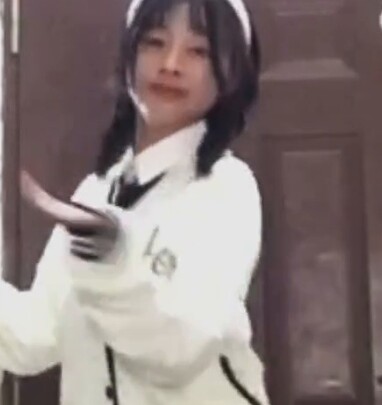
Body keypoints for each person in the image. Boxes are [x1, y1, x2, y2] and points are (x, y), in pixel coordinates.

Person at [1, 0, 267, 404]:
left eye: (199, 51)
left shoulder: (227, 189)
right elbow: (35, 337)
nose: (171, 64)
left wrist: (115, 255)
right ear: (129, 56)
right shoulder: (94, 193)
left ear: (231, 73)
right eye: (154, 42)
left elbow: (180, 347)